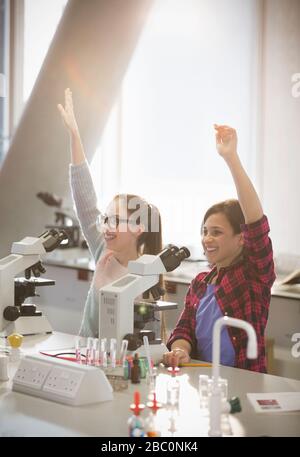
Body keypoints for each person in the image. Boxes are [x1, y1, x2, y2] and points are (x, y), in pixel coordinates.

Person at [163, 124, 276, 373]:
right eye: (204, 231)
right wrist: (180, 349)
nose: (207, 239)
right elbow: (184, 330)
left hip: (244, 380)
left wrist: (231, 159)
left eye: (216, 232)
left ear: (241, 238)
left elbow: (256, 222)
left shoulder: (254, 274)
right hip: (205, 379)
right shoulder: (200, 283)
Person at [58, 88, 163, 337]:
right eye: (105, 219)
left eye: (115, 220)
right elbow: (85, 203)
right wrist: (74, 135)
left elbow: (152, 336)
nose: (105, 227)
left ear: (139, 228)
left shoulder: (147, 273)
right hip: (87, 354)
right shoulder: (103, 251)